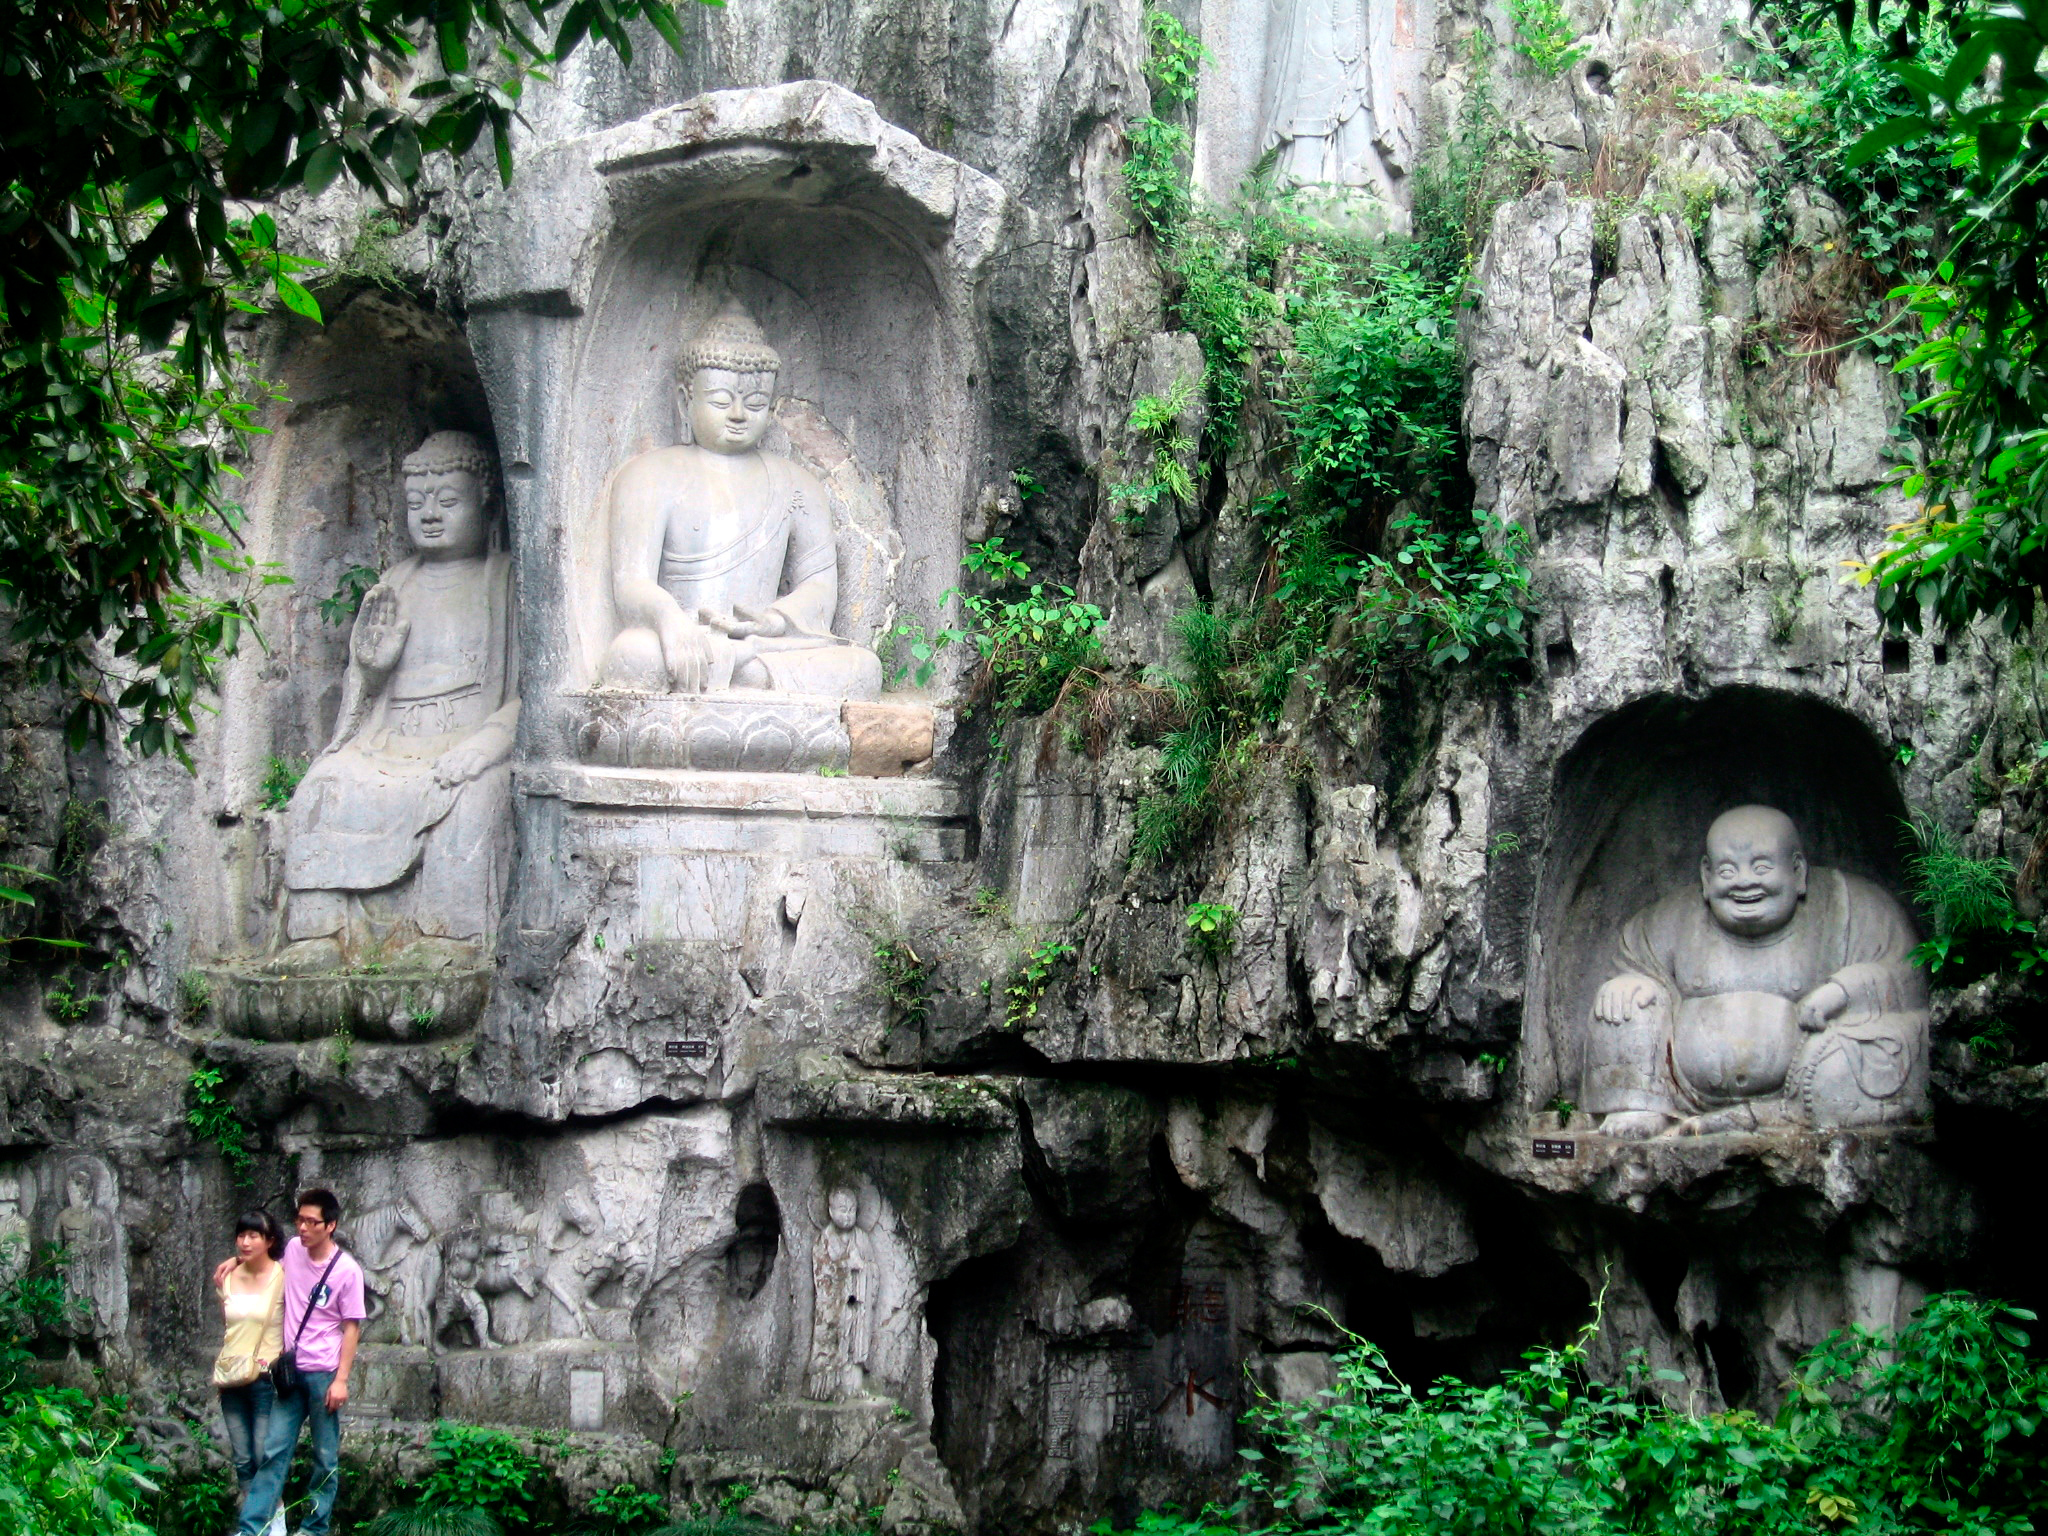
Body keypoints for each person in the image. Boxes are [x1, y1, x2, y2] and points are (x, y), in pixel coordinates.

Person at [1584, 804, 1930, 1137]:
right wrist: (1632, 982)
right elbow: (1635, 962)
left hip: (1804, 1086)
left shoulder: (1851, 908)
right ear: (1706, 875)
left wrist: (1843, 991)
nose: (1744, 882)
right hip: (1682, 1092)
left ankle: (1776, 1114)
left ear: (1797, 871)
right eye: (1727, 871)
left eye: (1762, 867)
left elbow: (1907, 975)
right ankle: (1638, 1106)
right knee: (1622, 1000)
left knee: (1869, 1046)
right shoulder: (1666, 920)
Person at [214, 1189, 366, 1536]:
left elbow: (351, 1326)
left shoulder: (347, 1271)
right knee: (273, 1451)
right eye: (299, 1220)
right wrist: (235, 1260)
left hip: (324, 1373)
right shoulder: (294, 1252)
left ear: (331, 1225)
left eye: (312, 1222)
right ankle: (252, 1528)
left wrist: (341, 1379)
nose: (303, 1228)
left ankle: (314, 1528)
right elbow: (263, 1261)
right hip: (290, 1371)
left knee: (325, 1456)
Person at [212, 1210, 287, 1536]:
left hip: (264, 1377)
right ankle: (251, 1526)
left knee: (262, 1454)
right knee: (242, 1458)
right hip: (230, 1377)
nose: (245, 1242)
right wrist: (234, 1261)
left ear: (269, 1241)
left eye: (254, 1236)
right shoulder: (226, 1277)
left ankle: (277, 1523)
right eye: (241, 1235)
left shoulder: (282, 1275)